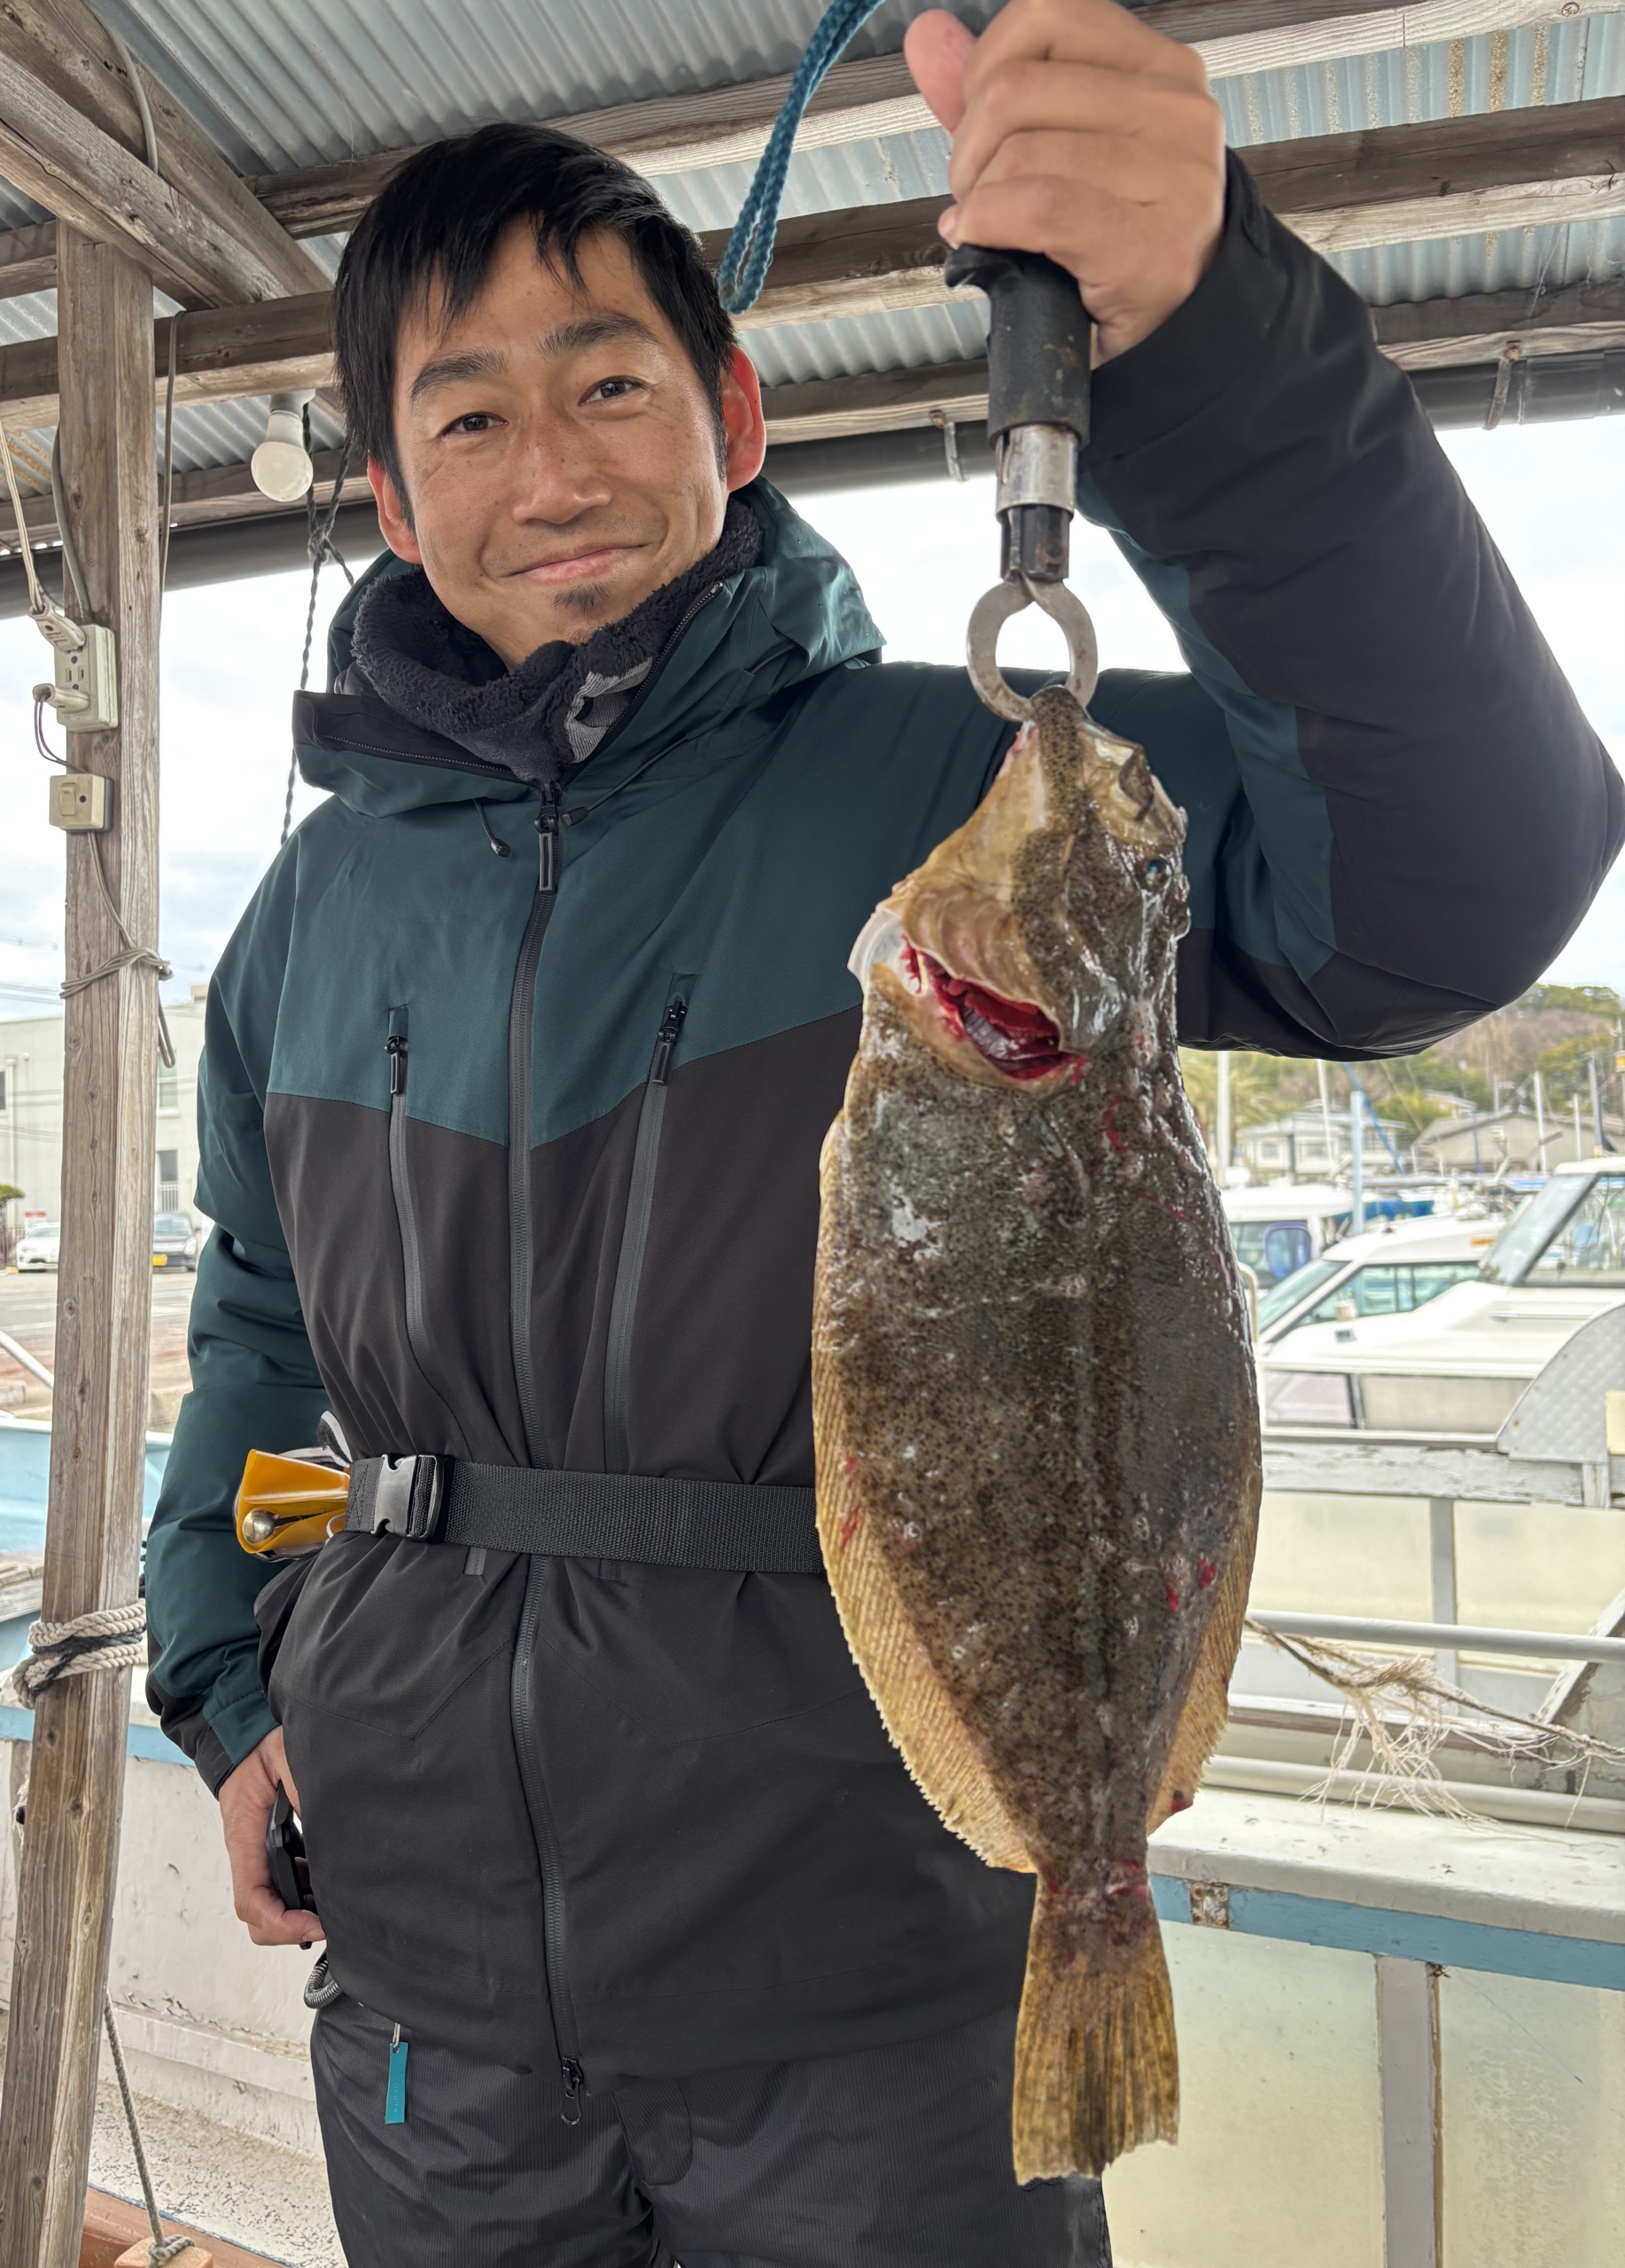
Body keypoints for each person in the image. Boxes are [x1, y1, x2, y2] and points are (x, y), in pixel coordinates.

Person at [144, 2, 1621, 2260]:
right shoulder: (305, 924)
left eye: (611, 384)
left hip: (875, 2003)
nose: (551, 469)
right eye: (470, 413)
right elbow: (267, 1355)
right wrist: (235, 1670)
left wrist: (1213, 343)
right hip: (430, 2007)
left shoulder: (984, 794)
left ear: (736, 416)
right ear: (395, 490)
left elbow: (1458, 884)